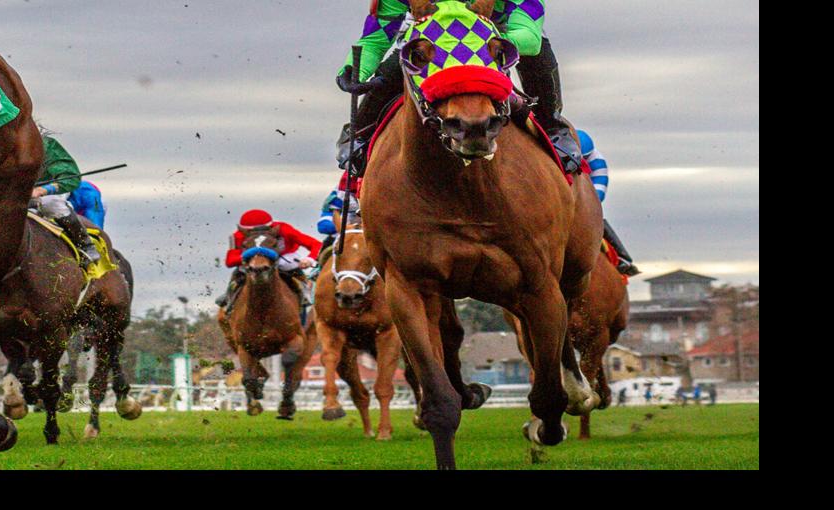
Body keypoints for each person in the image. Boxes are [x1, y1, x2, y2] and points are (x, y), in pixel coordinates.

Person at [336, 0, 581, 178]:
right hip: (433, 41)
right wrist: (354, 69)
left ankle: (551, 125)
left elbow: (529, 38)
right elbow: (376, 39)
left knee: (538, 59)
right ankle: (360, 134)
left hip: (495, 39)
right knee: (396, 66)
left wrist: (477, 37)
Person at [218, 210, 323, 317]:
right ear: (244, 230)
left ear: (271, 227)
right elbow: (230, 260)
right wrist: (253, 256)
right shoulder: (237, 236)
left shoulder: (284, 229)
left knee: (285, 264)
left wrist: (309, 259)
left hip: (283, 257)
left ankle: (303, 292)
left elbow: (316, 244)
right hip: (253, 262)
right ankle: (229, 298)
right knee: (240, 271)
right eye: (251, 233)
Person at [577, 130, 642, 277]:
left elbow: (599, 191)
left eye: (584, 158)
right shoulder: (562, 153)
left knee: (597, 219)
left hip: (586, 195)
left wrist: (586, 203)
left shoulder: (598, 163)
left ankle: (623, 259)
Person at [31, 133, 102, 265]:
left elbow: (71, 178)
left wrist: (43, 190)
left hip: (47, 194)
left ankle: (86, 245)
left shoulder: (46, 145)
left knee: (51, 203)